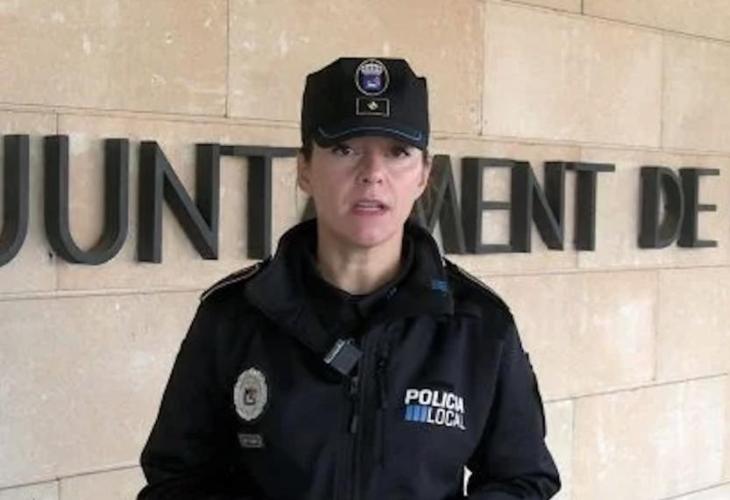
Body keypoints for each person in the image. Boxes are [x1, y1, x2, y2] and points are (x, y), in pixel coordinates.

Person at [138, 57, 560, 500]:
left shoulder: (477, 324)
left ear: (424, 175)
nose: (372, 173)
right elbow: (176, 478)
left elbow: (522, 478)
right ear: (305, 169)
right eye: (345, 149)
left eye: (397, 152)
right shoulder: (234, 316)